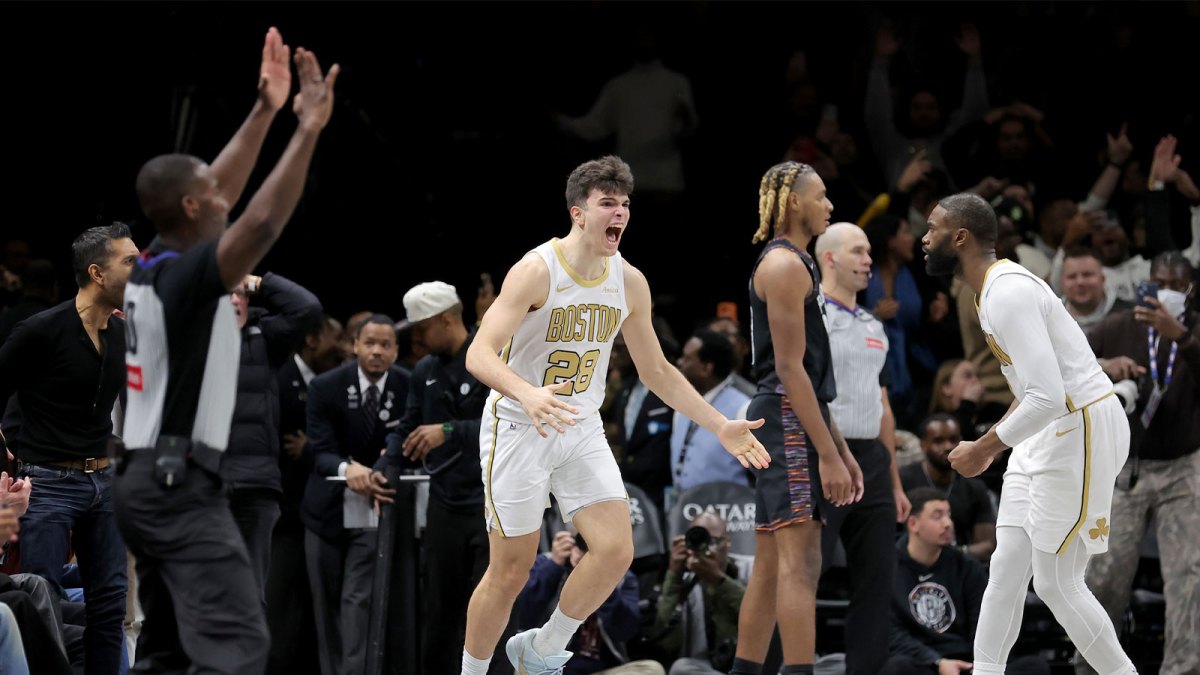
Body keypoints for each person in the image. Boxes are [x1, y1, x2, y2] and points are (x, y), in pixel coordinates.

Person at [460, 155, 769, 675]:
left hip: (579, 426)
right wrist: (527, 393)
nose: (620, 213)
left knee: (615, 549)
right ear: (579, 212)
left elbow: (658, 371)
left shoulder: (629, 281)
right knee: (509, 572)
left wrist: (719, 424)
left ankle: (542, 650)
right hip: (519, 425)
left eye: (625, 204)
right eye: (608, 203)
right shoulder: (537, 270)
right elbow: (479, 353)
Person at [114, 29, 338, 673]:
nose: (224, 195)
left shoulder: (157, 262)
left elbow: (220, 193)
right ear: (190, 208)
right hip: (175, 482)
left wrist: (266, 110)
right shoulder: (183, 278)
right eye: (212, 196)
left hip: (147, 478)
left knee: (168, 649)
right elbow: (262, 223)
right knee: (238, 646)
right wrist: (308, 130)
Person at [921, 192, 1135, 674]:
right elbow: (1033, 390)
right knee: (1007, 569)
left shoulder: (1007, 291)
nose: (923, 237)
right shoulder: (989, 290)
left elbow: (1049, 395)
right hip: (1047, 429)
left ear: (960, 237)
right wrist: (1002, 439)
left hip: (1080, 425)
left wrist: (984, 447)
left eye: (932, 228)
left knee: (1058, 584)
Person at [732, 161, 863, 675]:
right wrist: (827, 455)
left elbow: (806, 373)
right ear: (793, 203)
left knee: (769, 567)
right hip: (786, 415)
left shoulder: (796, 263)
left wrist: (841, 451)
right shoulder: (785, 265)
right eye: (821, 196)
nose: (829, 206)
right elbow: (789, 371)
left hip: (791, 413)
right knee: (801, 565)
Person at [0, 223, 137, 674]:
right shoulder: (40, 330)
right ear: (97, 273)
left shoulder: (121, 332)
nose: (141, 270)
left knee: (110, 603)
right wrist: (11, 457)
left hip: (102, 479)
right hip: (49, 482)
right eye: (130, 262)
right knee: (42, 600)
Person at [1080, 251, 1200, 675]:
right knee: (1105, 576)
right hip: (1125, 467)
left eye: (1175, 283)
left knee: (1189, 575)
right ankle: (1092, 666)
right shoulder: (1119, 326)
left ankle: (1183, 669)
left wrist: (1181, 337)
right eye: (1158, 280)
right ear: (1145, 284)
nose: (1164, 289)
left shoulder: (1195, 329)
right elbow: (1067, 359)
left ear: (1190, 289)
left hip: (1184, 466)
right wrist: (1104, 364)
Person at [374, 281, 491, 675]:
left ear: (446, 319)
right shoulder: (424, 369)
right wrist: (386, 463)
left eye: (421, 328)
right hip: (444, 504)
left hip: (491, 506)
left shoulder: (490, 356)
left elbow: (512, 423)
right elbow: (407, 426)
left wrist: (448, 430)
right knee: (438, 611)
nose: (416, 338)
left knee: (489, 611)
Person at [814, 222, 910, 675]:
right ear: (829, 258)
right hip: (823, 455)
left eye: (870, 251)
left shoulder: (875, 323)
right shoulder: (809, 314)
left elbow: (883, 405)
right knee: (802, 576)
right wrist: (831, 453)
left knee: (877, 584)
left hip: (871, 458)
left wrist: (892, 481)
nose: (868, 259)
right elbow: (806, 392)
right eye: (858, 251)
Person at [301, 314, 409, 675]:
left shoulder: (407, 386)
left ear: (396, 351)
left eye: (385, 345)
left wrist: (385, 464)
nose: (376, 351)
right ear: (354, 346)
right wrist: (349, 471)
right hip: (325, 511)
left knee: (358, 601)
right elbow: (318, 450)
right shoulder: (325, 386)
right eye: (369, 343)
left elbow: (408, 440)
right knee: (326, 603)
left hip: (375, 507)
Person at [224, 272, 322, 605]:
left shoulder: (264, 336)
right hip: (204, 484)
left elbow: (307, 308)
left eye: (242, 294)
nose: (237, 299)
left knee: (251, 594)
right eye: (228, 293)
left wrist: (258, 282)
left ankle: (247, 659)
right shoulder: (191, 337)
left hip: (256, 485)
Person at [884, 488, 1049, 675]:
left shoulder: (967, 567)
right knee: (896, 668)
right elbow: (892, 633)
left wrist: (979, 666)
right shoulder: (888, 569)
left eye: (949, 515)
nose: (947, 523)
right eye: (937, 516)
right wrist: (937, 662)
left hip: (967, 663)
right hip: (923, 663)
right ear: (913, 524)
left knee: (1035, 667)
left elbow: (983, 622)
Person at [268, 314, 344, 675]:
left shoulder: (327, 384)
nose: (343, 347)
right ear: (312, 340)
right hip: (283, 514)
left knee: (308, 604)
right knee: (282, 602)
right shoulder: (281, 379)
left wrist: (312, 447)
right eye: (336, 338)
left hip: (315, 514)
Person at [514, 528, 665, 675]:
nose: (588, 550)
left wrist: (604, 582)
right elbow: (521, 618)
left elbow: (625, 632)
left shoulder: (621, 576)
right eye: (585, 542)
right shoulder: (547, 562)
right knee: (519, 668)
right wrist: (554, 566)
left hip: (601, 669)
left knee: (652, 670)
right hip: (546, 668)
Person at [652, 512, 745, 675]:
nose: (706, 546)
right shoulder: (683, 581)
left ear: (728, 542)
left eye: (713, 540)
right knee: (680, 668)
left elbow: (765, 619)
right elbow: (667, 642)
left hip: (746, 667)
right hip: (699, 668)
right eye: (698, 539)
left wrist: (720, 581)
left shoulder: (748, 570)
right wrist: (673, 576)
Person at [898, 414, 996, 563]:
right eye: (939, 441)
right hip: (909, 566)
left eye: (953, 439)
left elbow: (987, 546)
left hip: (961, 569)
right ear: (923, 445)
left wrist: (947, 555)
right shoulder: (903, 480)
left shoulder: (974, 487)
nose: (948, 446)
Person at [670, 329, 752, 493]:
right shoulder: (680, 407)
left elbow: (758, 469)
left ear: (706, 368)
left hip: (730, 511)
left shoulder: (743, 408)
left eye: (686, 359)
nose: (679, 363)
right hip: (682, 511)